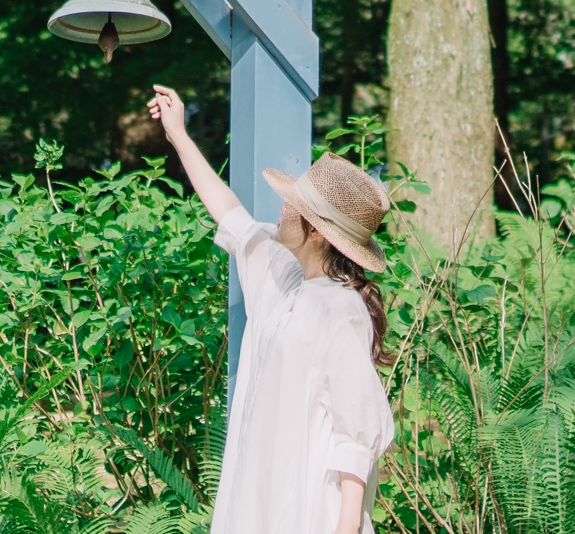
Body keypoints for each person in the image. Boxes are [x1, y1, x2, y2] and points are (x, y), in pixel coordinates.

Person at [148, 84, 395, 534]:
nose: (282, 208)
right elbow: (229, 213)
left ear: (318, 232)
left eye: (294, 206)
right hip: (255, 505)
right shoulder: (280, 277)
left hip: (307, 513)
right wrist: (178, 136)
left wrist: (346, 530)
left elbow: (355, 432)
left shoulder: (342, 310)